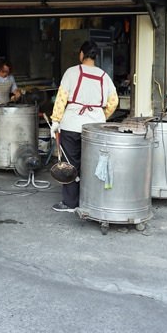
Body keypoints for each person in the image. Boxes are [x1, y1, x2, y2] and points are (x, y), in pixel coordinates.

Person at [49, 41, 119, 213]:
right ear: (95, 56)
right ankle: (90, 200)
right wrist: (102, 116)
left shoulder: (71, 72)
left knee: (70, 164)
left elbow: (61, 97)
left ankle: (70, 203)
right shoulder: (104, 76)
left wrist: (56, 120)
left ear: (82, 54)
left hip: (72, 123)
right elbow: (114, 101)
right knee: (92, 163)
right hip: (95, 126)